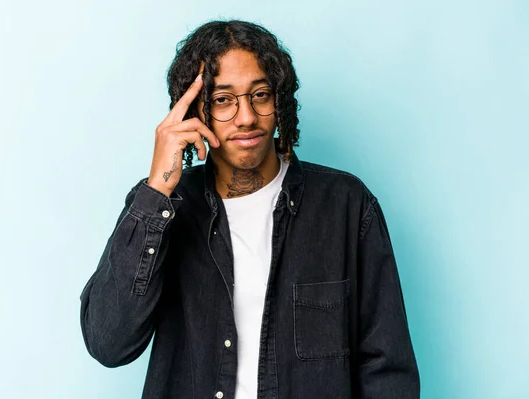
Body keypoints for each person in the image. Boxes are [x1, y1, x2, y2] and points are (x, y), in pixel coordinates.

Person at [80, 19, 420, 399]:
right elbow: (108, 343)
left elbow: (387, 370)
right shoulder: (162, 211)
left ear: (280, 101)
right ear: (195, 112)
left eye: (260, 94)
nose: (246, 117)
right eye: (223, 100)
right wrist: (157, 188)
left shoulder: (346, 205)